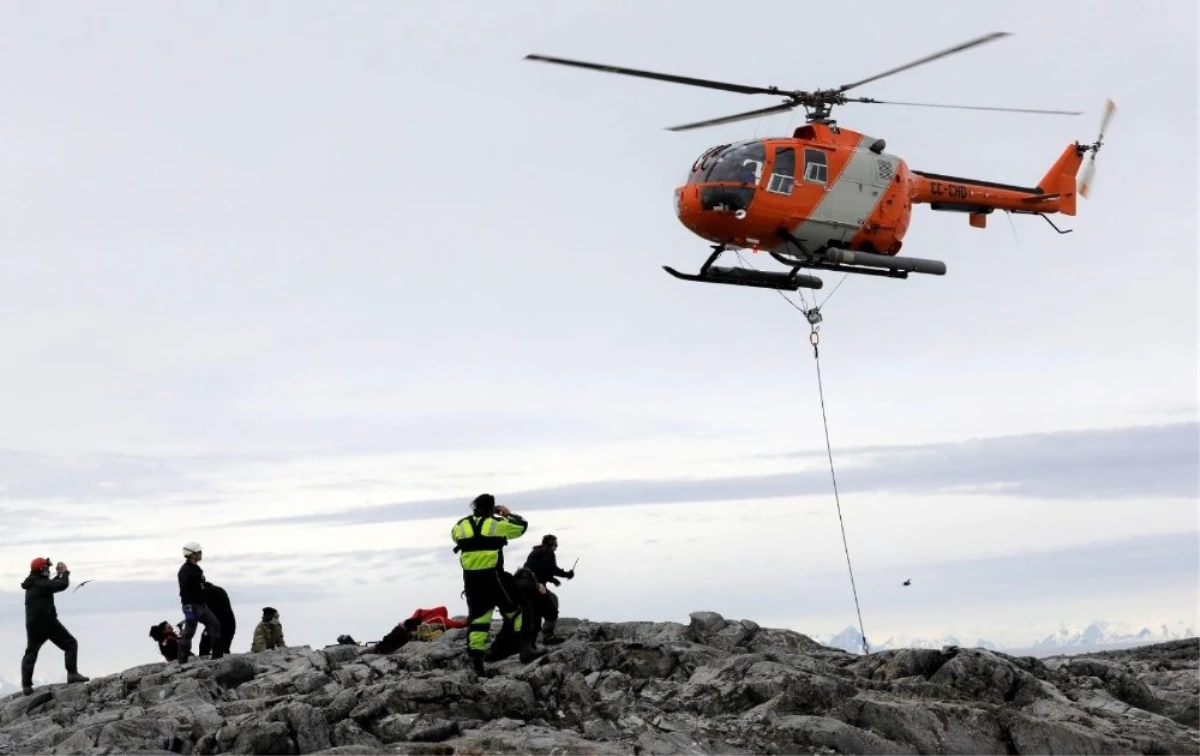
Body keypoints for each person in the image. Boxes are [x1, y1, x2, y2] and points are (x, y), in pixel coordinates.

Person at [450, 493, 544, 675]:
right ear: (492, 507)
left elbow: (455, 537)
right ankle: (526, 649)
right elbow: (521, 528)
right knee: (519, 609)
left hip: (471, 580)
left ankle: (477, 663)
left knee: (479, 620)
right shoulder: (496, 524)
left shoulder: (460, 525)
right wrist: (507, 514)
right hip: (495, 576)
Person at [20, 557, 89, 695]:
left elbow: (50, 584)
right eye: (46, 568)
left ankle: (26, 686)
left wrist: (58, 575)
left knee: (31, 653)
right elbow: (61, 585)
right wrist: (65, 572)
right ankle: (72, 674)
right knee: (70, 644)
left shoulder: (34, 582)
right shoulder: (40, 583)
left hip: (33, 625)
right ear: (41, 570)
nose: (48, 569)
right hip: (48, 623)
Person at [523, 534, 575, 644]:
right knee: (551, 608)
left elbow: (540, 569)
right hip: (536, 586)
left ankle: (530, 640)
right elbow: (550, 568)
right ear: (552, 544)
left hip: (525, 584)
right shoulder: (548, 552)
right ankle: (547, 636)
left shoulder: (536, 551)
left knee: (539, 609)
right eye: (556, 544)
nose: (557, 547)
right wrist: (567, 574)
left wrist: (552, 580)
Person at [177, 541, 222, 663]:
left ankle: (216, 656)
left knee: (195, 630)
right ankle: (183, 660)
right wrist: (187, 608)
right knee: (197, 630)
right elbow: (184, 590)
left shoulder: (195, 568)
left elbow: (199, 585)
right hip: (193, 605)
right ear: (192, 554)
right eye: (199, 552)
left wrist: (207, 587)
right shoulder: (185, 571)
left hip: (199, 605)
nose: (201, 554)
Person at [199, 583, 236, 657]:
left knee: (204, 648)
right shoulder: (220, 590)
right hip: (230, 624)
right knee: (224, 650)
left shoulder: (207, 593)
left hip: (217, 625)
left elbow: (205, 613)